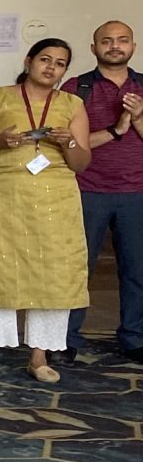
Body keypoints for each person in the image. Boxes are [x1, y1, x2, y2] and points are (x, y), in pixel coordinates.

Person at [0, 37, 92, 382]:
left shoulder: (72, 103)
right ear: (28, 61)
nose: (50, 67)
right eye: (45, 59)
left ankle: (40, 357)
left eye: (59, 63)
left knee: (52, 273)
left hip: (56, 201)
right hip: (2, 196)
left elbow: (82, 162)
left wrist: (67, 140)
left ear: (64, 71)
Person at [63, 20, 143, 363]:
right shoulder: (76, 87)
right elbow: (68, 143)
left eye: (122, 40)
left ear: (133, 47)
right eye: (106, 41)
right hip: (85, 190)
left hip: (137, 192)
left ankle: (134, 338)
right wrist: (116, 129)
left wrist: (137, 118)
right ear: (94, 48)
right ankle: (64, 339)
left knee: (137, 270)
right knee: (77, 269)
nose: (115, 46)